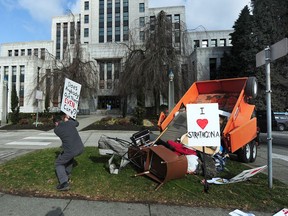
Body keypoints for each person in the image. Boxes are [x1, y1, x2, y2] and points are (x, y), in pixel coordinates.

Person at [53, 112, 84, 191]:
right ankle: (67, 173)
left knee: (58, 163)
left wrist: (66, 121)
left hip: (71, 150)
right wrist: (69, 118)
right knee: (67, 157)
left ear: (56, 123)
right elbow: (77, 123)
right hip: (80, 148)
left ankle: (64, 183)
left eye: (54, 124)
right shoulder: (70, 123)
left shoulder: (56, 130)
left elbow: (62, 128)